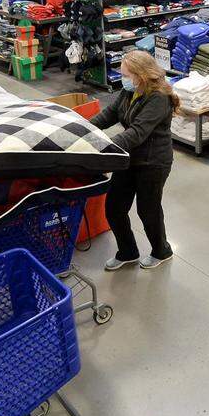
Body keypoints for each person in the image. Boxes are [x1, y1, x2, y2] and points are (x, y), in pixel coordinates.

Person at [91, 51, 178, 271]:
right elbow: (108, 115)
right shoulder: (129, 92)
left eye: (126, 75)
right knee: (114, 207)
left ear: (141, 75)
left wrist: (104, 147)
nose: (123, 79)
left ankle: (162, 250)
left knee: (147, 210)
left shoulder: (158, 97)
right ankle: (128, 252)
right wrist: (82, 128)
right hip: (130, 157)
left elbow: (137, 132)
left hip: (153, 162)